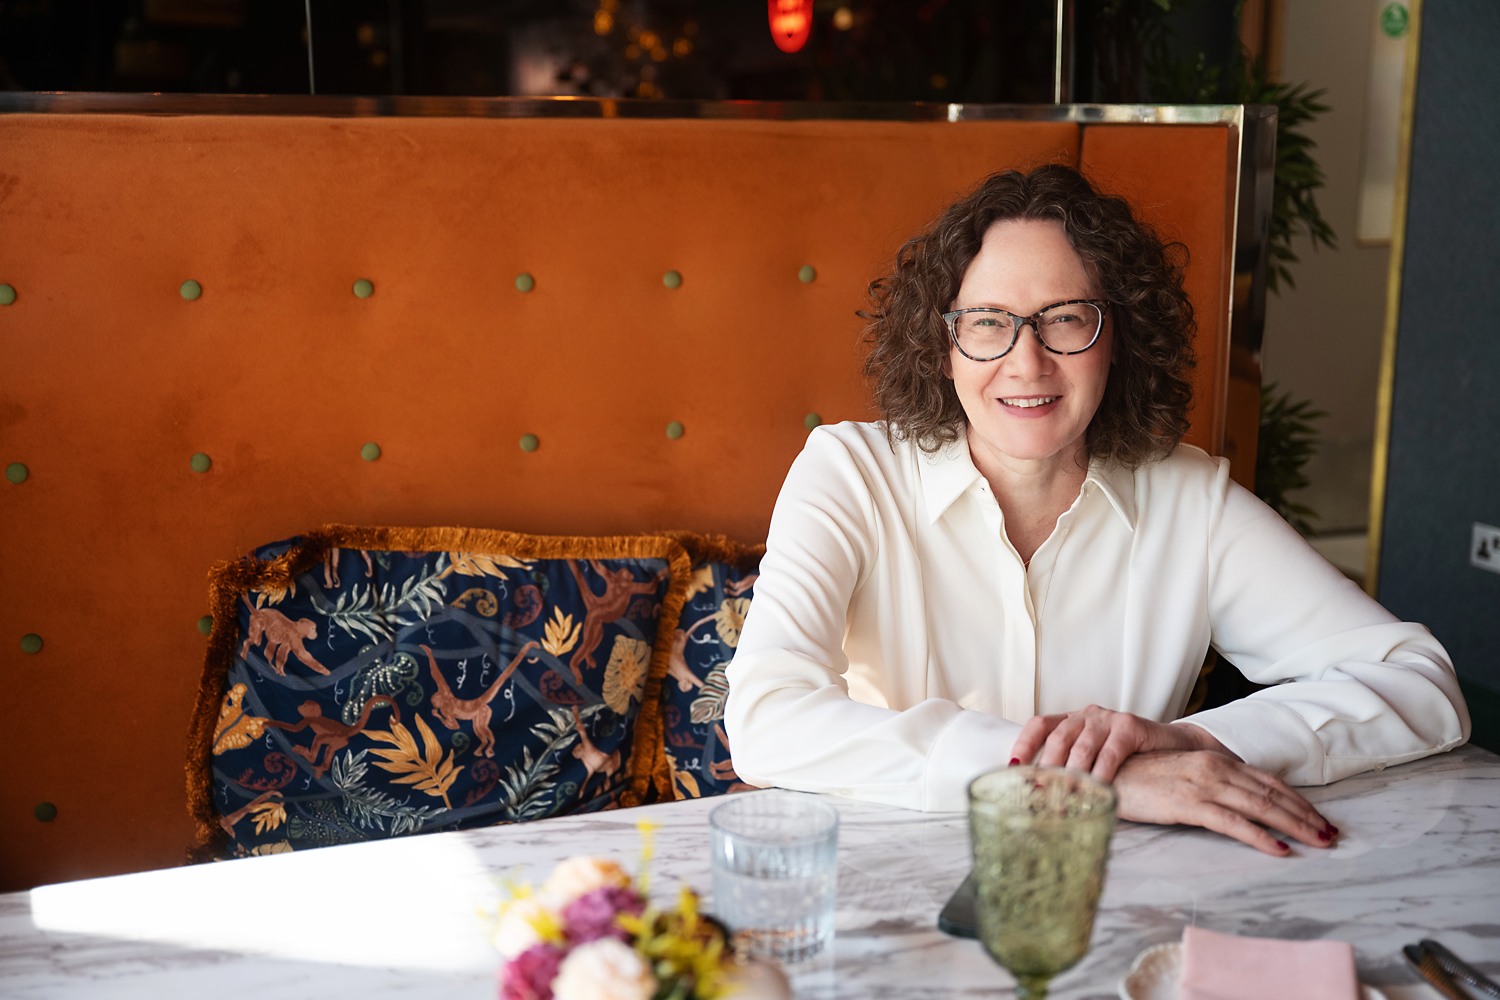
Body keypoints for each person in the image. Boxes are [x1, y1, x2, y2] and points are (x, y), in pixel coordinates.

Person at [723, 164, 1469, 857]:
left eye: (1066, 318)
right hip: (897, 879)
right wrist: (1081, 779)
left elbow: (1421, 682)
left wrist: (1189, 747)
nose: (1027, 361)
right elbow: (765, 719)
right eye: (987, 322)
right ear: (942, 346)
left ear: (1119, 337)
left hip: (1121, 900)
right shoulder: (851, 474)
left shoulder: (1189, 502)